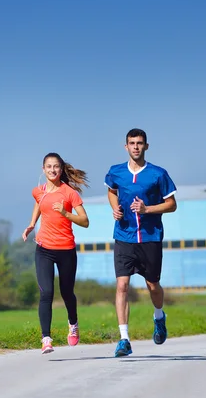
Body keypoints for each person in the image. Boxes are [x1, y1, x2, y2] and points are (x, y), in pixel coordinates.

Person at [105, 128, 177, 357]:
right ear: (125, 146)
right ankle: (124, 339)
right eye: (131, 143)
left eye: (139, 143)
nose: (135, 147)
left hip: (150, 237)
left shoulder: (158, 174)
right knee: (122, 286)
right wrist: (114, 208)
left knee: (152, 286)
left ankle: (159, 316)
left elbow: (172, 204)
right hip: (124, 236)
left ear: (146, 146)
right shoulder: (116, 172)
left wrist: (148, 209)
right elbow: (111, 191)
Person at [22, 153, 89, 354]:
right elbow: (38, 203)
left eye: (56, 167)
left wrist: (65, 213)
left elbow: (85, 221)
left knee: (67, 293)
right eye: (49, 167)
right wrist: (32, 223)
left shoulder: (69, 193)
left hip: (66, 250)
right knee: (46, 293)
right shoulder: (38, 191)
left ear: (61, 170)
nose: (52, 170)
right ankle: (46, 339)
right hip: (44, 249)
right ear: (43, 169)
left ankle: (73, 323)